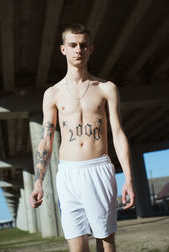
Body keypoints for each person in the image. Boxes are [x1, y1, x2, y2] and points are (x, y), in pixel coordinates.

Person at [29, 23, 135, 252]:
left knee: (105, 243)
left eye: (83, 45)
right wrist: (39, 180)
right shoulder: (53, 93)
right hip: (68, 174)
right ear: (63, 49)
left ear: (91, 49)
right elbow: (46, 139)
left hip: (98, 169)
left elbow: (117, 133)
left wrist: (128, 178)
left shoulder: (106, 88)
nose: (79, 50)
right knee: (77, 248)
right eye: (73, 45)